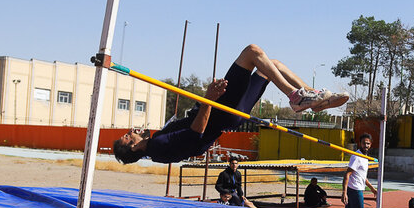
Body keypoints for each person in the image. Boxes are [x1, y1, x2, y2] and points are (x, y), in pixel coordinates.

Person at [112, 44, 349, 164]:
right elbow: (197, 133)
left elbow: (195, 137)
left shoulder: (157, 144)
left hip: (228, 115)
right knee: (252, 52)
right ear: (133, 148)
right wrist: (208, 99)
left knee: (271, 64)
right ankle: (297, 97)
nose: (130, 132)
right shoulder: (159, 145)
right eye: (127, 137)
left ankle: (313, 99)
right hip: (221, 112)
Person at [339, 133, 377, 208]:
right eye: (364, 143)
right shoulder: (357, 157)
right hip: (355, 191)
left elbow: (363, 178)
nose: (366, 145)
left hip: (356, 189)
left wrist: (373, 189)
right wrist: (344, 193)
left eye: (368, 143)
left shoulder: (365, 158)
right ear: (360, 143)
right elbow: (347, 174)